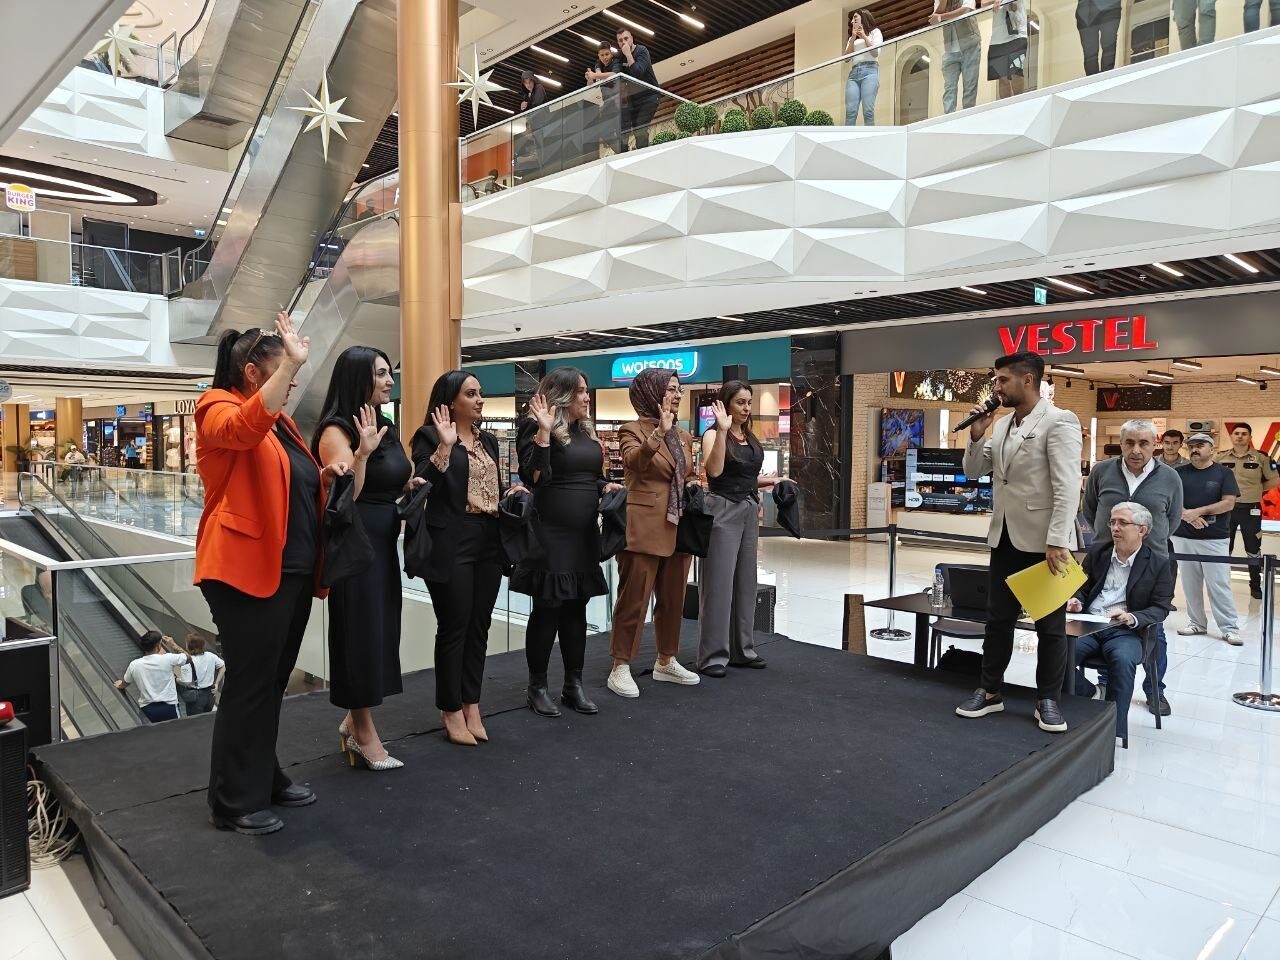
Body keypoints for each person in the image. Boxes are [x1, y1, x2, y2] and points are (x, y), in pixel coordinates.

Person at [195, 312, 346, 836]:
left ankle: (263, 774)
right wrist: (290, 366)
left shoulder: (280, 422)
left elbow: (287, 479)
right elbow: (243, 428)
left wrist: (324, 475)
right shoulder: (217, 406)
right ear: (254, 374)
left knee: (273, 681)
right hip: (244, 569)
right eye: (285, 369)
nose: (295, 379)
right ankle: (233, 800)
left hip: (292, 568)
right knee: (250, 683)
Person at [956, 351, 1082, 732]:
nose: (996, 387)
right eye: (996, 380)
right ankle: (990, 690)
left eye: (1002, 380)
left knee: (1050, 626)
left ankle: (1047, 700)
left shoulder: (1059, 421)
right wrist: (976, 435)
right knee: (998, 621)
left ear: (1028, 380)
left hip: (1044, 543)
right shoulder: (1002, 425)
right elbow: (974, 470)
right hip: (1005, 537)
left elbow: (1067, 486)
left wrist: (1058, 539)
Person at [314, 346, 420, 770]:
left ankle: (353, 719)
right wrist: (361, 453)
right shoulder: (336, 431)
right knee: (359, 634)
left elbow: (393, 478)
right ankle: (363, 733)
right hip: (355, 548)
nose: (390, 380)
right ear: (357, 377)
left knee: (379, 632)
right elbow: (347, 496)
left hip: (383, 544)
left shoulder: (383, 424)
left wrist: (409, 485)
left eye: (389, 372)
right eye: (380, 373)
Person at [411, 371, 524, 746]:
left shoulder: (487, 439)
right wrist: (445, 448)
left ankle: (471, 703)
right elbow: (422, 485)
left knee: (479, 625)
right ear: (451, 401)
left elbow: (489, 486)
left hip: (489, 537)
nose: (480, 399)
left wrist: (511, 493)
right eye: (471, 394)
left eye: (480, 393)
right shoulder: (428, 436)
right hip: (451, 539)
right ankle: (450, 708)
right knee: (454, 625)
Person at [513, 367, 623, 718]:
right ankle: (537, 687)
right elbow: (534, 477)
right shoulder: (535, 427)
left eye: (586, 391)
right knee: (548, 607)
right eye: (580, 392)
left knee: (576, 607)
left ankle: (573, 685)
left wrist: (605, 486)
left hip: (583, 534)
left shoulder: (585, 431)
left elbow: (590, 476)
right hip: (550, 534)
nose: (587, 397)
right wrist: (544, 433)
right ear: (561, 396)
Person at [607, 368, 700, 697]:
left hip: (678, 525)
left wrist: (692, 483)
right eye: (671, 389)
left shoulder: (684, 435)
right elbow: (635, 462)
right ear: (652, 391)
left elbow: (687, 473)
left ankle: (666, 659)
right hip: (644, 526)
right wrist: (659, 433)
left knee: (674, 599)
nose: (678, 395)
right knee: (634, 599)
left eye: (679, 389)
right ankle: (620, 665)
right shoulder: (630, 430)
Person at [1080, 419, 1182, 716]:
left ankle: (1155, 690)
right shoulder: (1102, 471)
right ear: (1121, 444)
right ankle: (1104, 685)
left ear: (1155, 445)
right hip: (1106, 558)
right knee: (1102, 617)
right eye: (1130, 442)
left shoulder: (1170, 477)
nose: (1136, 449)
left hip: (1150, 563)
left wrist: (1148, 542)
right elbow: (1090, 509)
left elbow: (1173, 518)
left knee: (1154, 631)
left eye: (1144, 443)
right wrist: (1109, 539)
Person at [696, 381, 781, 676]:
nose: (746, 408)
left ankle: (742, 650)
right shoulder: (712, 434)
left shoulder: (749, 436)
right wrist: (722, 430)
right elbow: (715, 470)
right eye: (740, 402)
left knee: (746, 583)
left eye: (749, 402)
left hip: (747, 509)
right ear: (726, 404)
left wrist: (772, 481)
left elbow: (745, 476)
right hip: (721, 508)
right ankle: (712, 657)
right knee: (718, 585)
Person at [1069, 503, 1174, 739]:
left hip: (1125, 630)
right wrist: (1077, 600)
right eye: (1113, 522)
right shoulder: (1099, 553)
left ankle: (1112, 732)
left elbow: (1161, 607)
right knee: (1057, 652)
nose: (1115, 528)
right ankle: (1091, 695)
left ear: (1142, 530)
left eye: (1123, 523)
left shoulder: (1158, 562)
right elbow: (1082, 588)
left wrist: (1132, 616)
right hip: (1090, 623)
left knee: (1123, 659)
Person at [1172, 433, 1242, 645]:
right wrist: (1187, 515)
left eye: (1200, 445)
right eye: (1191, 446)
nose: (1194, 449)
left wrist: (1198, 512)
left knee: (1218, 584)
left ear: (1212, 449)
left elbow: (1228, 503)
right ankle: (1197, 623)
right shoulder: (1178, 473)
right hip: (1183, 536)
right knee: (1190, 583)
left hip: (1214, 538)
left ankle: (1229, 628)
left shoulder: (1224, 473)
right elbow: (1169, 499)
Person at [1215, 422, 1279, 600]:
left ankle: (1255, 586)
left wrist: (1257, 490)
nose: (1240, 436)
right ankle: (1222, 585)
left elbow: (1275, 479)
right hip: (1226, 509)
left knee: (1253, 548)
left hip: (1251, 509)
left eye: (1244, 433)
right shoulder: (1220, 457)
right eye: (1236, 433)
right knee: (1224, 547)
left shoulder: (1261, 457)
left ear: (1250, 437)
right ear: (1231, 436)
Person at [114, 631, 188, 723]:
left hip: (147, 709)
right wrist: (173, 645)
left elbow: (125, 683)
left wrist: (120, 685)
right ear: (158, 646)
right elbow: (188, 658)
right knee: (174, 730)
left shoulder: (134, 664)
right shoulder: (168, 658)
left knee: (150, 732)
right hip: (169, 707)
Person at [611, 26, 661, 150]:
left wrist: (628, 54)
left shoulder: (642, 50)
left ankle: (643, 153)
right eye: (620, 40)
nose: (623, 42)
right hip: (633, 99)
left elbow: (638, 73)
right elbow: (615, 74)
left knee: (640, 127)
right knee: (631, 128)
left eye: (626, 38)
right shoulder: (618, 57)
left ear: (632, 38)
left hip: (649, 96)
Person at [930, 0, 980, 114]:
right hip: (950, 49)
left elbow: (965, 9)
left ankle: (968, 117)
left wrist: (941, 17)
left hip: (970, 44)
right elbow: (934, 20)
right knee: (949, 88)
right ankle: (949, 119)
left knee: (970, 86)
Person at [843, 10, 883, 125]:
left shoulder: (875, 32)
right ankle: (848, 136)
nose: (852, 21)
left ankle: (870, 136)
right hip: (854, 74)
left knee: (868, 111)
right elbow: (846, 58)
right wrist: (853, 37)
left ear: (863, 17)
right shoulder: (852, 38)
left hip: (870, 71)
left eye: (855, 18)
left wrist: (864, 36)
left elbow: (875, 53)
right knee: (850, 111)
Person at [984, 0, 1028, 99]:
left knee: (1016, 73)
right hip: (996, 39)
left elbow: (1014, 6)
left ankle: (1020, 105)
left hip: (1017, 35)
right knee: (1002, 77)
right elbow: (983, 3)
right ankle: (1006, 107)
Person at [177, 635, 225, 716]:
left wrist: (177, 679)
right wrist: (216, 683)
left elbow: (187, 682)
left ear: (189, 646)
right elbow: (223, 666)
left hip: (196, 697)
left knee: (195, 721)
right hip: (210, 694)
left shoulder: (187, 661)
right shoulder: (210, 655)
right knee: (206, 718)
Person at [1076, 0, 1121, 76]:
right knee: (1090, 54)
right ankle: (1095, 81)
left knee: (1108, 45)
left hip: (1110, 8)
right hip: (1086, 10)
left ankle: (1107, 79)